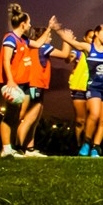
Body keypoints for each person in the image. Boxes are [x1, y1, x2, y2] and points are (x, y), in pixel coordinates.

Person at [57, 23, 103, 156]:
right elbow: (72, 43)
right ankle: (86, 143)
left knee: (102, 119)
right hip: (94, 86)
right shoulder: (88, 47)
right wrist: (57, 29)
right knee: (94, 114)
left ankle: (96, 147)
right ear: (97, 33)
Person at [13, 16, 62, 157]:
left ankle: (29, 148)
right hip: (36, 85)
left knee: (32, 118)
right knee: (29, 118)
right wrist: (67, 39)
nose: (50, 38)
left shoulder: (30, 47)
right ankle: (18, 147)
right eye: (49, 36)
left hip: (31, 84)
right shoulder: (44, 47)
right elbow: (65, 55)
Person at [0, 4, 33, 159]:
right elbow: (6, 60)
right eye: (29, 22)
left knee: (16, 116)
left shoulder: (22, 39)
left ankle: (10, 148)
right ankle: (6, 149)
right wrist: (10, 80)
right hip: (13, 82)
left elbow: (36, 44)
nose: (30, 25)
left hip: (21, 82)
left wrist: (50, 29)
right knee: (9, 115)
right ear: (23, 24)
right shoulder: (11, 38)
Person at [65, 26, 98, 149]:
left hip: (94, 89)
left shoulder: (100, 53)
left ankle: (89, 145)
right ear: (85, 39)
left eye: (94, 37)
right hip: (79, 89)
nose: (92, 40)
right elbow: (68, 59)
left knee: (93, 118)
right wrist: (67, 43)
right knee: (80, 120)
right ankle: (78, 146)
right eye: (90, 37)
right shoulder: (78, 52)